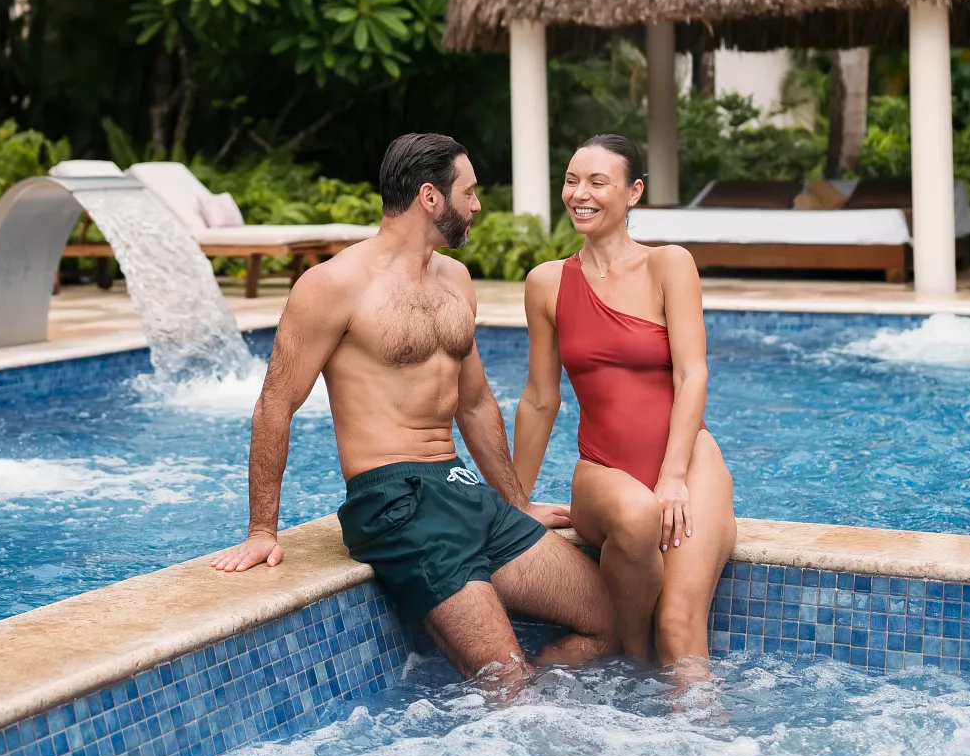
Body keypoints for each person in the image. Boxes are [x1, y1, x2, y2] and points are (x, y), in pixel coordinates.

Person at [211, 132, 617, 684]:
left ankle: (538, 707)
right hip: (394, 500)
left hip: (461, 488)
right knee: (505, 678)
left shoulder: (456, 280)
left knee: (611, 624)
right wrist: (263, 530)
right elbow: (275, 405)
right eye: (469, 193)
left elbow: (473, 403)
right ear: (431, 198)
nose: (476, 206)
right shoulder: (334, 284)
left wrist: (516, 502)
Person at [514, 133, 736, 674]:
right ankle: (626, 664)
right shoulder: (546, 283)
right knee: (636, 514)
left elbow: (692, 375)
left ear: (634, 192)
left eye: (597, 182)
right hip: (603, 471)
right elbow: (541, 399)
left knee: (680, 630)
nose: (579, 194)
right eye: (571, 180)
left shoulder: (670, 266)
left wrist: (675, 476)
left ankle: (702, 749)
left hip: (687, 464)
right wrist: (513, 502)